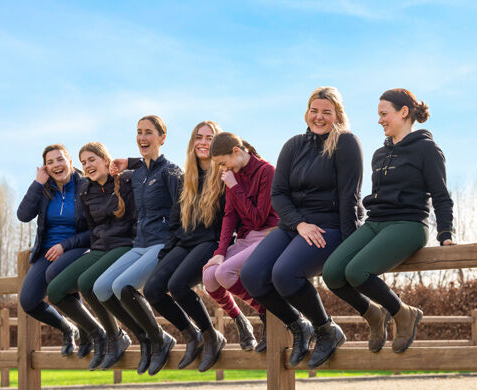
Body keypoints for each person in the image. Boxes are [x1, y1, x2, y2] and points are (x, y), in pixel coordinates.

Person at [322, 88, 454, 354]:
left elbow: (441, 195)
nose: (380, 120)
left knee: (356, 271)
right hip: (376, 223)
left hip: (408, 224)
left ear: (404, 112)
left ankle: (403, 313)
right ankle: (373, 313)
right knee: (332, 273)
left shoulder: (427, 149)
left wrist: (445, 233)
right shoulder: (379, 155)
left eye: (384, 114)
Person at [241, 86, 364, 369]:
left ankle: (326, 329)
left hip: (329, 225)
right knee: (252, 275)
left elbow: (350, 196)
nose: (319, 117)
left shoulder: (346, 143)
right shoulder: (294, 145)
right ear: (307, 112)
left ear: (338, 115)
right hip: (294, 226)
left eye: (326, 112)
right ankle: (299, 326)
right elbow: (278, 193)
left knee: (284, 273)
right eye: (314, 110)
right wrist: (299, 223)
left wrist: (351, 245)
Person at [91, 115, 182, 376]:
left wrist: (174, 244)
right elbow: (107, 175)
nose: (142, 137)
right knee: (100, 288)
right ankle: (144, 338)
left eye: (149, 132)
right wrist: (130, 162)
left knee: (123, 285)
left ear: (162, 138)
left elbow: (181, 209)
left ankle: (159, 339)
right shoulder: (137, 174)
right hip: (139, 244)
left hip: (161, 243)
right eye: (139, 132)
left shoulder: (171, 172)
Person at [143, 121, 227, 373]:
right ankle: (192, 335)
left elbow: (231, 216)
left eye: (210, 138)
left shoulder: (224, 176)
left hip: (210, 241)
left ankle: (211, 335)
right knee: (152, 289)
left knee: (178, 286)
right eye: (199, 137)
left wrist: (224, 247)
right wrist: (166, 254)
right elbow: (175, 221)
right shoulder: (185, 178)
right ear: (192, 142)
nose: (203, 142)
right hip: (185, 241)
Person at [47, 142, 137, 370]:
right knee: (55, 290)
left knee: (87, 283)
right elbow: (91, 227)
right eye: (83, 162)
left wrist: (128, 162)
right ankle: (98, 335)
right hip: (99, 248)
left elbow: (150, 167)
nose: (87, 165)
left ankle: (116, 337)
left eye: (92, 160)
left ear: (106, 160)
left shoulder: (126, 180)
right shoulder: (86, 191)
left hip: (125, 244)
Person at [202, 132, 278, 352]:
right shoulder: (232, 175)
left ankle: (271, 313)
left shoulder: (266, 171)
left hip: (268, 236)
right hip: (245, 239)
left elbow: (259, 218)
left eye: (223, 162)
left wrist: (235, 186)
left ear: (236, 151)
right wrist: (220, 252)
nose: (222, 168)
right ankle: (255, 315)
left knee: (225, 273)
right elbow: (230, 216)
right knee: (209, 276)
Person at [17, 144, 90, 357]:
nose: (56, 165)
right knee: (28, 301)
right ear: (46, 168)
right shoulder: (44, 188)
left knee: (57, 277)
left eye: (60, 159)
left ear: (70, 162)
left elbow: (96, 230)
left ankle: (90, 332)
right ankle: (68, 328)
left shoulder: (85, 186)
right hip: (47, 253)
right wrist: (37, 183)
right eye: (50, 162)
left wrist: (64, 246)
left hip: (77, 248)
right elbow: (23, 215)